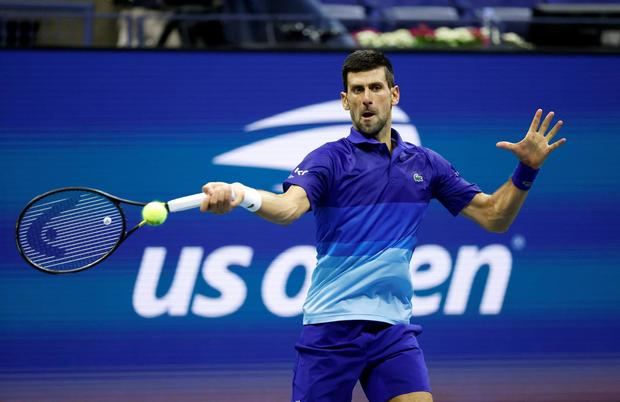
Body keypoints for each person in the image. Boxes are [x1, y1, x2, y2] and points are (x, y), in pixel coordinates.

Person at [199, 50, 566, 402]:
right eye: (357, 91)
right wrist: (239, 193)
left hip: (392, 329)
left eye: (375, 88)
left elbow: (494, 216)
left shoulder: (427, 164)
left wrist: (527, 169)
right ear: (345, 101)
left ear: (394, 95)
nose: (367, 99)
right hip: (331, 327)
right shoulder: (329, 159)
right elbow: (287, 209)